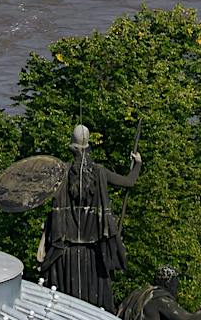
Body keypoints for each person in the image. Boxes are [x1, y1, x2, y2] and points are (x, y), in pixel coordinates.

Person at [41, 123, 140, 310]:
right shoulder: (100, 172)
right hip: (93, 256)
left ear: (72, 148)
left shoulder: (60, 173)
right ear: (88, 148)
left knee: (65, 308)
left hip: (65, 255)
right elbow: (129, 182)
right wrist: (137, 165)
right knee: (93, 309)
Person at [118, 265, 201, 320]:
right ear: (168, 283)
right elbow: (189, 319)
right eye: (175, 283)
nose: (176, 287)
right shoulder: (159, 299)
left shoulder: (139, 293)